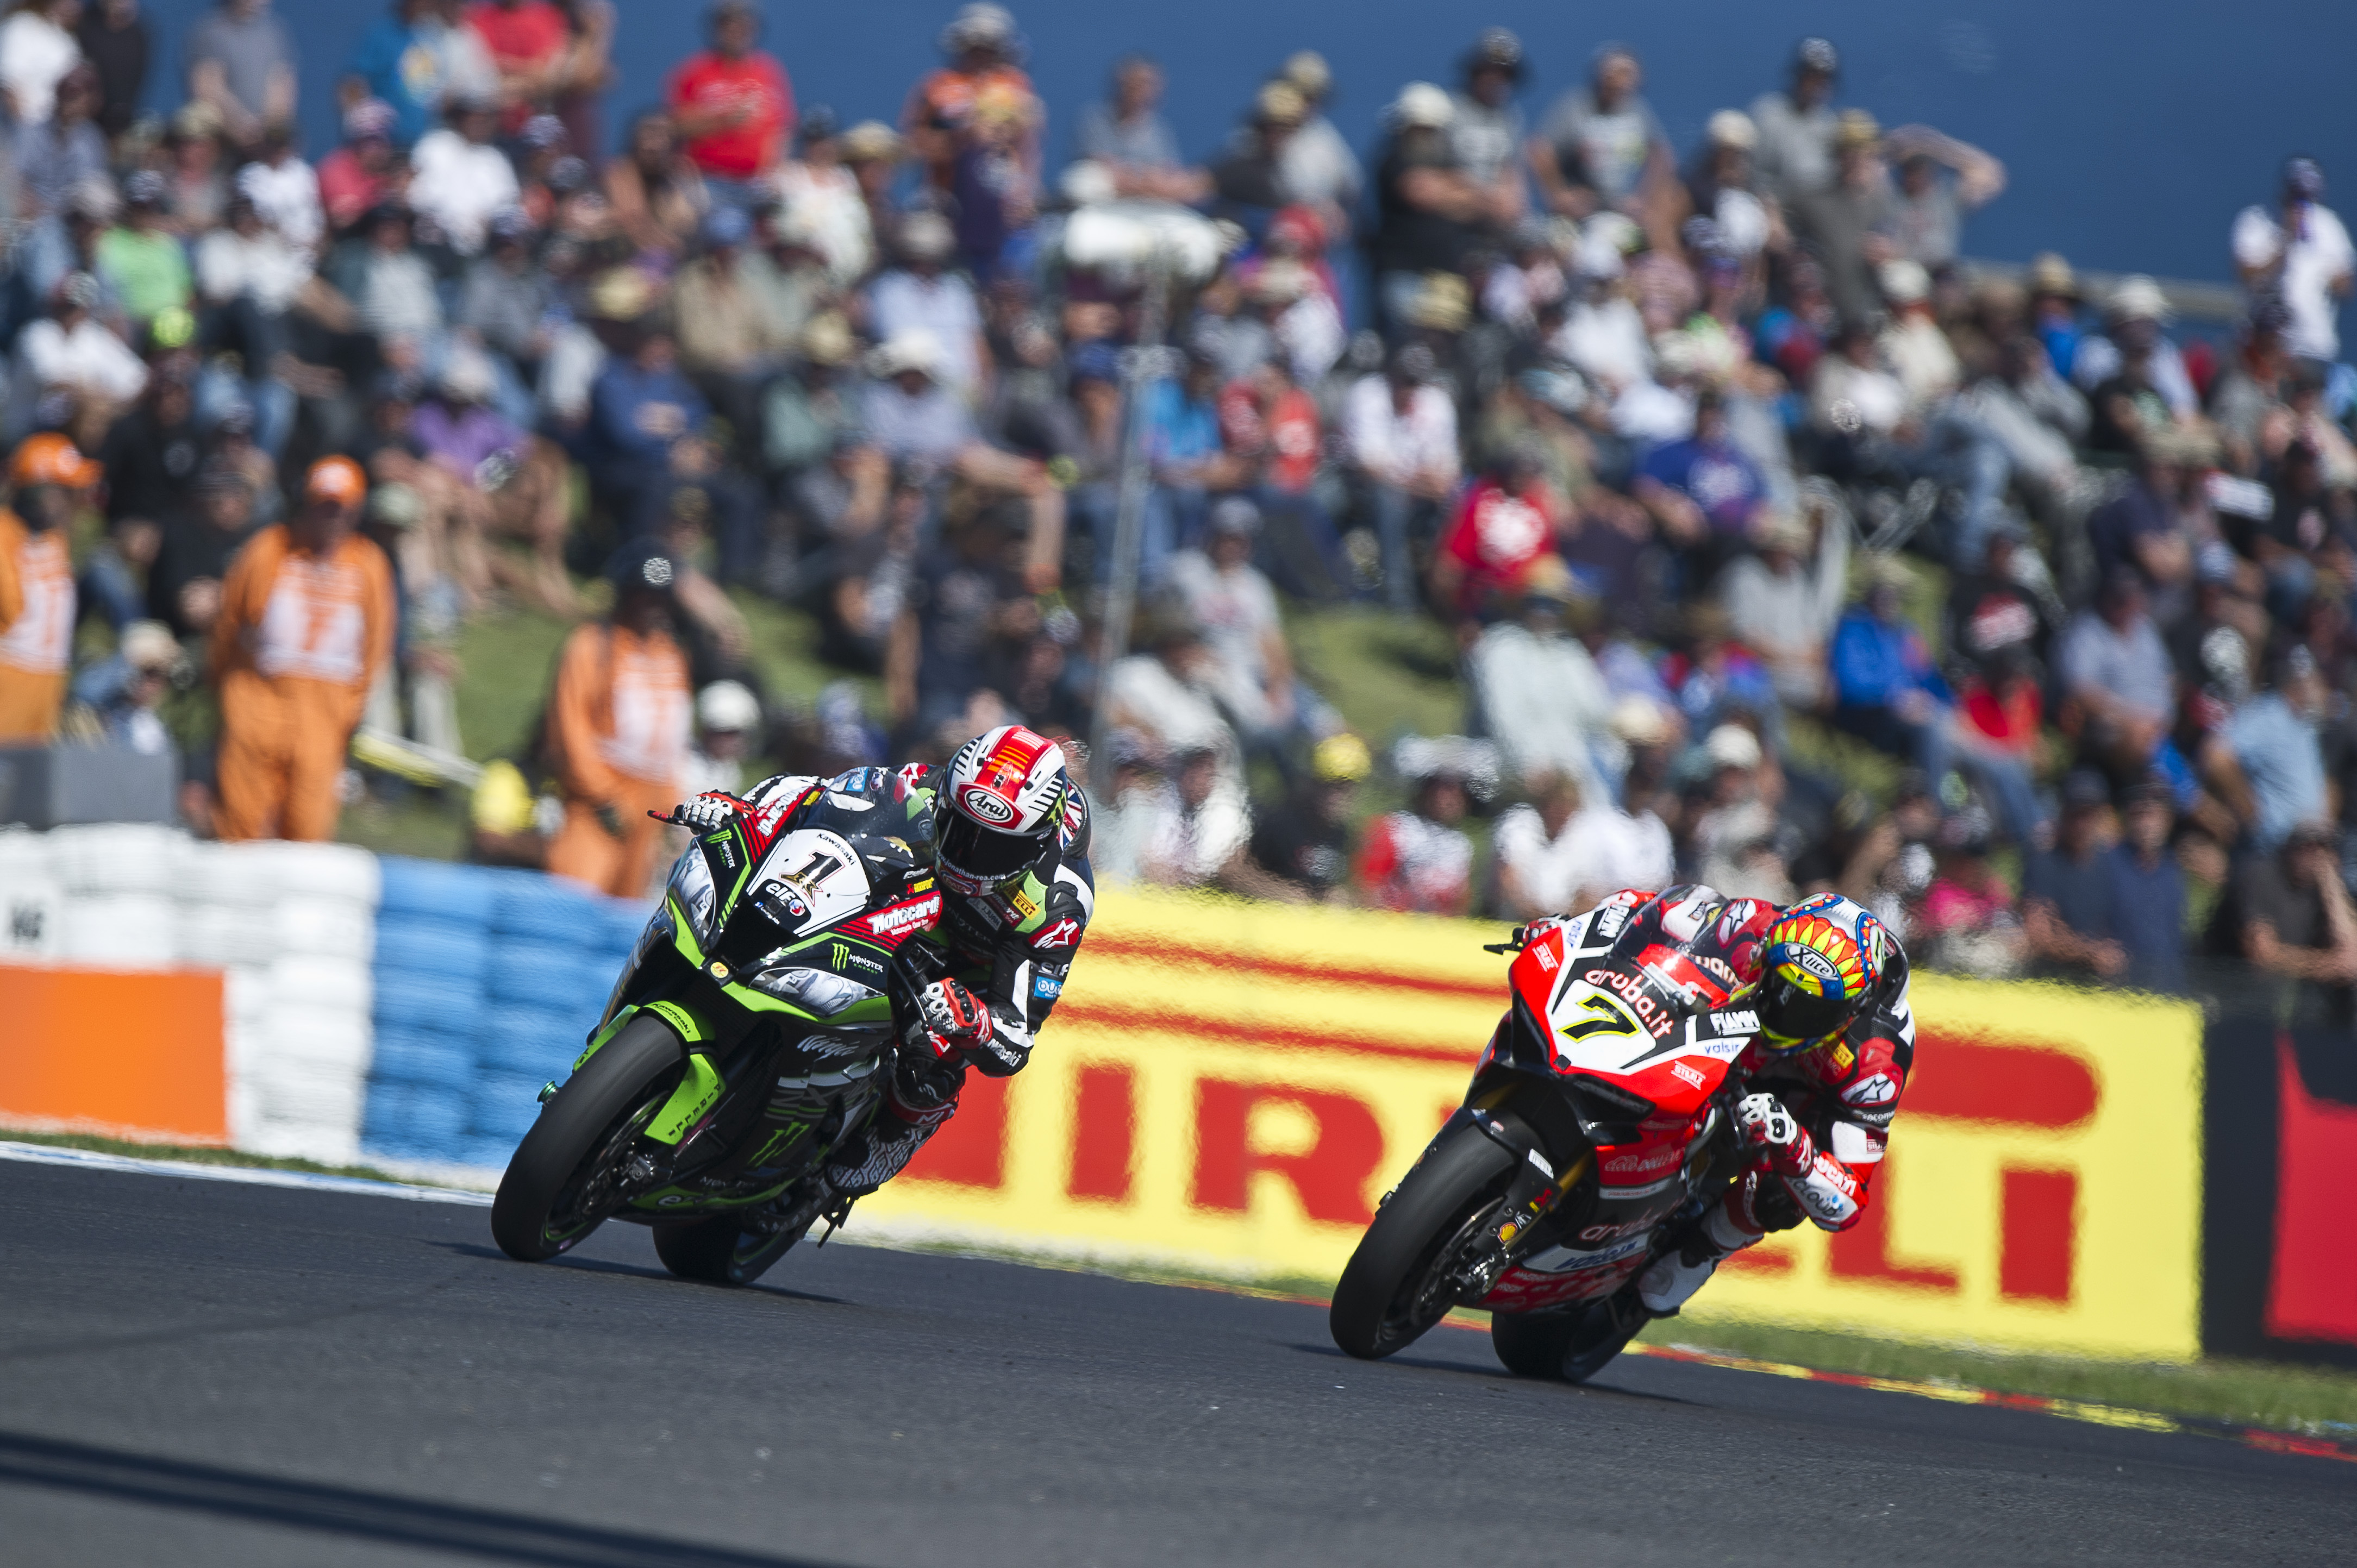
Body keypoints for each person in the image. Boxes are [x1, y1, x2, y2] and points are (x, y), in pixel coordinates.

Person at [670, 723, 1093, 1220]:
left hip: (967, 964)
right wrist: (743, 811)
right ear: (949, 800)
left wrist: (972, 1019)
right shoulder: (922, 785)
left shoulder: (1058, 904)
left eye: (995, 847)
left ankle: (897, 1131)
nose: (970, 853)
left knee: (931, 1049)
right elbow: (813, 798)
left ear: (1037, 840)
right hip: (901, 906)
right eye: (960, 828)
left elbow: (1014, 1041)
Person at [1529, 889, 1915, 1333]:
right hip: (1728, 1023)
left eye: (1809, 1008)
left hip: (1797, 1089)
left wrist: (1788, 1140)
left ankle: (1701, 1249)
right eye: (1779, 982)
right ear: (1769, 951)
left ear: (1852, 1010)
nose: (1784, 1008)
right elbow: (1644, 907)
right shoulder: (1748, 923)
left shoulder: (1875, 1059)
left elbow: (1845, 1204)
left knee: (1778, 1196)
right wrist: (1571, 929)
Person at [209, 457, 397, 842]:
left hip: (324, 721)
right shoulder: (268, 550)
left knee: (308, 833)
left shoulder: (370, 566)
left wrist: (348, 710)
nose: (332, 517)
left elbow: (376, 648)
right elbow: (228, 628)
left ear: (357, 510)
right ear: (307, 504)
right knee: (239, 828)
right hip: (258, 710)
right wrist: (230, 697)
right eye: (323, 506)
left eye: (341, 508)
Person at [541, 542, 692, 896]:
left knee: (627, 910)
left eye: (660, 600)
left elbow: (672, 736)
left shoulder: (672, 654)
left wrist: (674, 805)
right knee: (574, 896)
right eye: (644, 597)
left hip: (651, 803)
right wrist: (600, 795)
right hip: (598, 799)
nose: (651, 608)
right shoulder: (592, 645)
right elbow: (570, 725)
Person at [0, 434, 99, 741]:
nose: (76, 502)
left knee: (34, 782)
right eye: (67, 492)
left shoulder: (54, 540)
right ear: (38, 492)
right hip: (10, 676)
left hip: (48, 682)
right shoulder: (5, 535)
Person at [2231, 156, 2354, 368]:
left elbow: (2346, 288)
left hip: (2313, 346)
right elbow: (2246, 273)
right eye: (2296, 197)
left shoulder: (2330, 226)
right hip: (2265, 346)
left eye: (2307, 199)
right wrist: (2286, 241)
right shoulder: (2257, 220)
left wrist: (2331, 275)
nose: (2300, 206)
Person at [667, 0, 792, 198]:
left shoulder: (770, 71)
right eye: (729, 24)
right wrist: (725, 120)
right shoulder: (694, 71)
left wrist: (774, 172)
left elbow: (782, 129)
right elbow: (676, 125)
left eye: (743, 25)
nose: (736, 31)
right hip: (709, 180)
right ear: (716, 28)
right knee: (724, 228)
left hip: (760, 183)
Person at [2021, 770, 2128, 982]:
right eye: (2074, 813)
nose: (2081, 823)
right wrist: (2090, 953)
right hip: (2053, 985)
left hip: (2102, 990)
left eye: (2088, 814)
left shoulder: (2112, 866)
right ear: (2062, 813)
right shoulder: (2043, 864)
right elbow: (2039, 936)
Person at [1354, 759, 1473, 915]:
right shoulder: (1396, 828)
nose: (1452, 799)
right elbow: (1369, 886)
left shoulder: (1461, 845)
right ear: (1426, 791)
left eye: (1459, 792)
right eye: (1445, 790)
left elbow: (1460, 901)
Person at [183, 0, 293, 150]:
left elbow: (282, 83)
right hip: (224, 147)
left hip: (266, 147)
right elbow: (207, 88)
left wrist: (270, 130)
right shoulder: (210, 31)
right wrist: (243, 128)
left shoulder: (274, 32)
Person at [1748, 35, 1842, 204]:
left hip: (1819, 210)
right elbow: (1753, 174)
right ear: (1798, 76)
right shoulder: (1769, 114)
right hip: (1776, 208)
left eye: (1823, 79)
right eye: (1811, 77)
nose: (1817, 85)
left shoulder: (1829, 123)